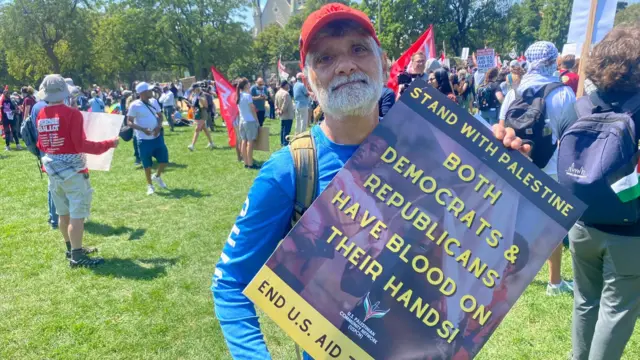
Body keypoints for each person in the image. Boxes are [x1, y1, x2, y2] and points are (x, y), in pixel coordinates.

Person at [211, 4, 529, 359]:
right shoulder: (291, 170)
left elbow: (478, 238)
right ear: (308, 82)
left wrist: (507, 168)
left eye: (358, 49)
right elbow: (230, 284)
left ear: (385, 63)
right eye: (325, 58)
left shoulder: (434, 148)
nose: (345, 65)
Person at [563, 26, 640, 360]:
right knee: (616, 310)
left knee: (584, 301)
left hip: (581, 223)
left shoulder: (578, 107)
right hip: (630, 230)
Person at [500, 41, 578, 296]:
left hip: (518, 165)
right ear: (553, 61)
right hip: (552, 166)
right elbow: (570, 132)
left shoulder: (515, 91)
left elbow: (503, 127)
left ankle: (503, 276)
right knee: (551, 225)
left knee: (512, 222)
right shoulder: (563, 93)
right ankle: (554, 282)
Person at [35, 74, 119, 267]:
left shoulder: (41, 114)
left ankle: (71, 248)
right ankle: (77, 256)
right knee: (77, 215)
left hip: (53, 172)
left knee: (62, 214)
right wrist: (109, 143)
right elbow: (81, 144)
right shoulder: (72, 114)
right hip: (73, 171)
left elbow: (41, 143)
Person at [127, 82, 169, 195]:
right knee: (147, 165)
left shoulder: (154, 101)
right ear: (143, 92)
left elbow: (160, 116)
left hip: (157, 137)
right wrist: (142, 129)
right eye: (150, 90)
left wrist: (158, 127)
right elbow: (129, 122)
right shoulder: (134, 105)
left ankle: (157, 176)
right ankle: (150, 185)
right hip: (143, 139)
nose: (152, 92)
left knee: (164, 160)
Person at [237, 78, 259, 169]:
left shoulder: (238, 95)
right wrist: (256, 120)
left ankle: (246, 162)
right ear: (246, 85)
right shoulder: (247, 96)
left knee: (243, 141)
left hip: (241, 121)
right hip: (249, 121)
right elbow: (252, 109)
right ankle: (250, 163)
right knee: (250, 143)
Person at [187, 85, 214, 151]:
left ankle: (192, 145)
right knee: (204, 128)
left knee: (197, 128)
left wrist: (200, 99)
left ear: (196, 89)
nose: (192, 90)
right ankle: (211, 143)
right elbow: (193, 105)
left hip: (203, 113)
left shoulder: (202, 94)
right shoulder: (194, 95)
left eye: (193, 89)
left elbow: (206, 105)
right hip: (197, 113)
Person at [274, 80, 294, 147]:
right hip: (287, 114)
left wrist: (277, 110)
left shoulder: (277, 93)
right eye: (287, 84)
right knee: (287, 130)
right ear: (285, 85)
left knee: (283, 129)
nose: (288, 86)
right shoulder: (286, 93)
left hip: (282, 115)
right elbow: (285, 104)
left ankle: (282, 142)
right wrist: (281, 110)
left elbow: (275, 103)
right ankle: (285, 143)